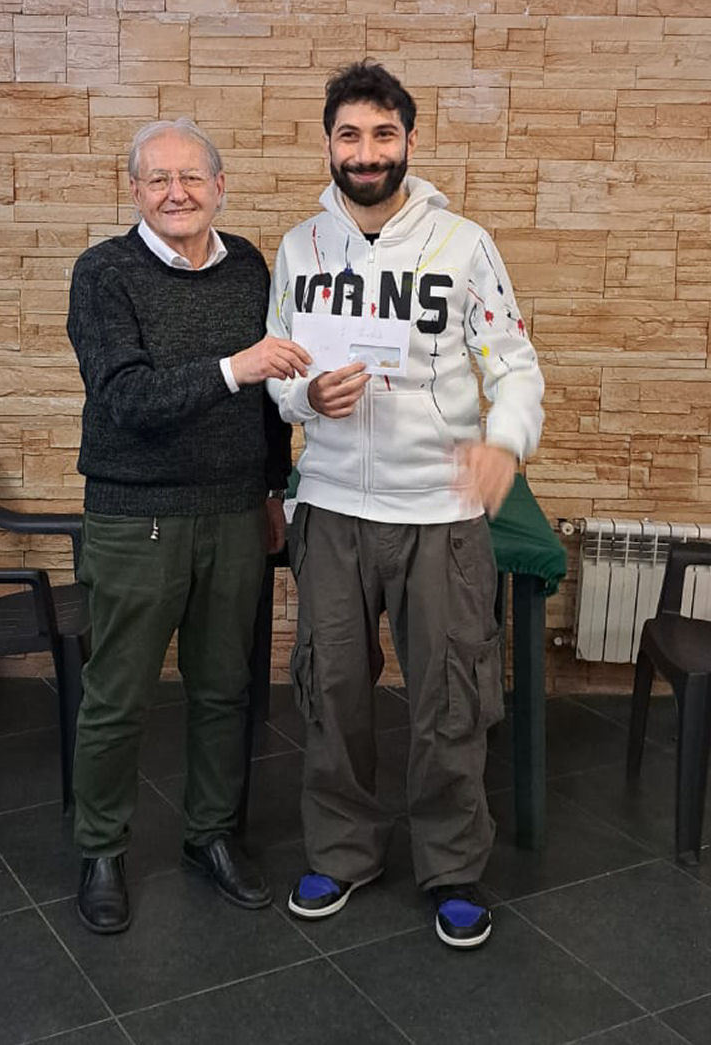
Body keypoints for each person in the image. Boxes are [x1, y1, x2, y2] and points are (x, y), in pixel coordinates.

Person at [267, 62, 544, 948]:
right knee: (332, 687)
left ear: (410, 141)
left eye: (383, 134)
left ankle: (453, 866)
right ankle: (341, 851)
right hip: (332, 507)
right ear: (328, 143)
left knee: (449, 695)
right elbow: (279, 373)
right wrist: (306, 398)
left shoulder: (465, 245)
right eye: (349, 135)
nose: (366, 152)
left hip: (439, 513)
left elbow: (514, 366)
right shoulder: (300, 249)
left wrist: (505, 444)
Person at [67, 118, 311, 934]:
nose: (177, 193)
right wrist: (234, 367)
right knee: (117, 696)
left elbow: (270, 394)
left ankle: (211, 835)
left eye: (191, 177)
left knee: (223, 690)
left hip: (235, 513)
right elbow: (124, 398)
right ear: (134, 190)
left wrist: (271, 486)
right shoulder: (103, 273)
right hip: (135, 516)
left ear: (220, 187)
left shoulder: (248, 267)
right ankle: (101, 849)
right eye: (158, 179)